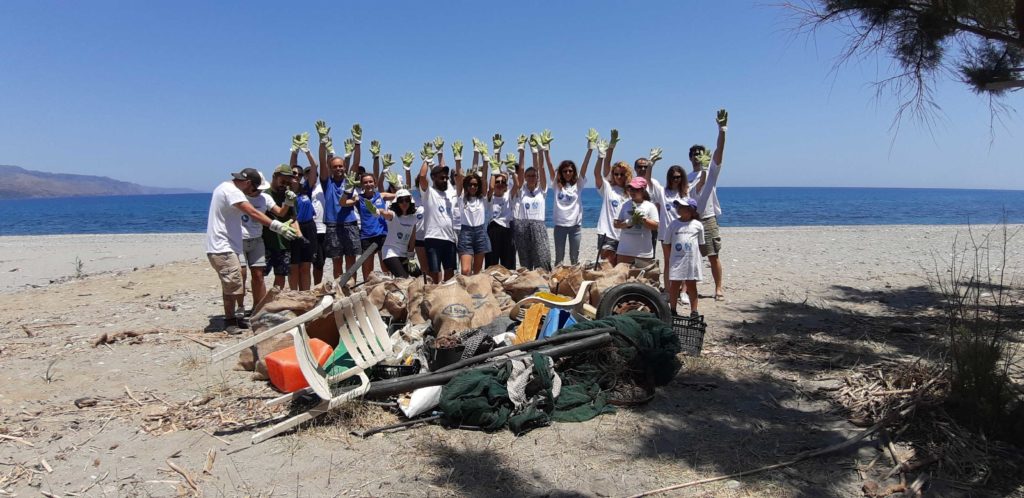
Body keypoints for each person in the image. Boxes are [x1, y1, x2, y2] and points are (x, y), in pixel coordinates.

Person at [205, 168, 298, 334]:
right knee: (233, 284)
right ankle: (231, 321)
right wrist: (277, 227)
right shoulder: (233, 192)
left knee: (236, 283)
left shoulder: (224, 187)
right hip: (223, 246)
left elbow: (272, 211)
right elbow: (252, 212)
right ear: (248, 183)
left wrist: (287, 204)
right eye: (254, 189)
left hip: (229, 245)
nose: (254, 192)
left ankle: (237, 318)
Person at [687, 109, 729, 301]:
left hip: (708, 219)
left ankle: (718, 288)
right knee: (690, 258)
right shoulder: (686, 178)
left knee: (713, 256)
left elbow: (719, 154)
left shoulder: (711, 172)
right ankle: (688, 290)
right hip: (691, 222)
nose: (697, 156)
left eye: (700, 154)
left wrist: (722, 130)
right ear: (690, 158)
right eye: (694, 154)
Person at [649, 163, 705, 296]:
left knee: (685, 261)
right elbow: (648, 181)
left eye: (679, 177)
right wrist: (651, 164)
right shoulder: (662, 192)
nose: (676, 179)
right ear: (669, 178)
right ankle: (669, 291)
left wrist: (705, 168)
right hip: (666, 233)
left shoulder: (687, 191)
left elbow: (702, 182)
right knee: (669, 262)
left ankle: (684, 291)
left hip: (685, 231)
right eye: (673, 177)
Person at [317, 122, 363, 280]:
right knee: (337, 262)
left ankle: (352, 287)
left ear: (344, 167)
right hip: (332, 225)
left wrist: (358, 143)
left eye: (340, 166)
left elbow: (356, 163)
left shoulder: (349, 180)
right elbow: (322, 162)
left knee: (351, 260)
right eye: (335, 167)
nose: (338, 169)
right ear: (331, 169)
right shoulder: (327, 182)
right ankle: (339, 289)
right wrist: (322, 141)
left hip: (350, 223)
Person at [547, 129, 592, 266]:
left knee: (574, 258)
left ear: (574, 173)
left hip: (575, 227)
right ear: (561, 172)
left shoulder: (578, 184)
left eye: (570, 171)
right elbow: (549, 166)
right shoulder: (556, 184)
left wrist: (590, 150)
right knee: (559, 258)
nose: (567, 173)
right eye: (565, 170)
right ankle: (557, 284)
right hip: (560, 226)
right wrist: (545, 150)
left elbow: (584, 167)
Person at [416, 145, 458, 283]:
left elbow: (444, 167)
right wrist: (427, 160)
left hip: (450, 238)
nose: (445, 180)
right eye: (441, 178)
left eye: (446, 178)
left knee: (450, 271)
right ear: (433, 178)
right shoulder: (428, 193)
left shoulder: (450, 191)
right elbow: (422, 176)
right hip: (433, 238)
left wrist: (441, 152)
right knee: (434, 272)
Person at [343, 170, 394, 282]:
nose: (368, 184)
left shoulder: (382, 195)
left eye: (371, 181)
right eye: (365, 182)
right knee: (367, 269)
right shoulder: (359, 198)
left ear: (375, 183)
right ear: (361, 184)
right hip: (366, 236)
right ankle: (368, 289)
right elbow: (342, 203)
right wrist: (347, 191)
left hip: (382, 234)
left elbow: (401, 196)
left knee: (386, 266)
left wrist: (398, 186)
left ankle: (389, 287)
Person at [512, 133, 551, 271]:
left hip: (538, 225)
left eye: (533, 176)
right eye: (528, 176)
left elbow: (540, 168)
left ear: (537, 177)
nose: (531, 177)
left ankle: (544, 285)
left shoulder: (542, 190)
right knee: (525, 260)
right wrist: (521, 150)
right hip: (523, 226)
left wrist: (538, 150)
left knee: (542, 259)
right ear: (525, 177)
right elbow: (521, 170)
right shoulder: (521, 190)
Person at [262, 164, 303, 290]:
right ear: (274, 177)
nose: (284, 184)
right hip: (265, 242)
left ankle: (274, 303)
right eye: (282, 181)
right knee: (259, 274)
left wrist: (291, 224)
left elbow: (293, 216)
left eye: (287, 181)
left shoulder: (289, 195)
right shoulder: (264, 194)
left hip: (283, 243)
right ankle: (259, 304)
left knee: (280, 275)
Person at [238, 171, 271, 315]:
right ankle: (239, 307)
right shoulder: (237, 196)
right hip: (238, 240)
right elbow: (254, 214)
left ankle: (258, 308)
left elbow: (280, 212)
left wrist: (288, 203)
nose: (259, 191)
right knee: (240, 275)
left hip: (257, 239)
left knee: (258, 275)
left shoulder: (265, 198)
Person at [665, 197, 705, 317]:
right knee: (674, 285)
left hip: (691, 261)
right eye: (678, 207)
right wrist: (671, 257)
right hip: (676, 260)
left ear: (691, 210)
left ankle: (694, 311)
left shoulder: (697, 225)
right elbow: (667, 243)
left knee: (691, 285)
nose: (679, 209)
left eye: (682, 207)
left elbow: (701, 243)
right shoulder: (673, 224)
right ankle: (672, 310)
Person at [455, 140, 490, 275]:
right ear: (466, 186)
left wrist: (485, 161)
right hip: (466, 233)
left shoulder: (482, 199)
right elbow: (459, 179)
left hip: (481, 232)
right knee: (465, 270)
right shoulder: (462, 197)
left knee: (477, 271)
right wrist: (458, 159)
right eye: (470, 184)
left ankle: (473, 294)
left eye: (475, 185)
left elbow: (484, 178)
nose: (473, 187)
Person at [484, 147, 519, 270]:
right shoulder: (490, 197)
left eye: (503, 182)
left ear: (506, 185)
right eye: (498, 182)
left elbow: (517, 185)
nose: (500, 184)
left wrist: (512, 171)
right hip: (493, 229)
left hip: (507, 230)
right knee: (491, 263)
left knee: (508, 264)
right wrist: (494, 171)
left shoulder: (509, 195)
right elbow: (491, 187)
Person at [613, 176, 659, 266]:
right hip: (624, 251)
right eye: (631, 189)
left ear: (643, 190)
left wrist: (643, 219)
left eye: (636, 189)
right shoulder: (624, 205)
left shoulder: (650, 206)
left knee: (643, 278)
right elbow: (616, 224)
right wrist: (627, 222)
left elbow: (655, 226)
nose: (633, 192)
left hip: (644, 252)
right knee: (622, 278)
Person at [377, 189, 422, 278]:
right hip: (390, 253)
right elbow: (385, 213)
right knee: (403, 278)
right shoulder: (393, 215)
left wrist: (411, 257)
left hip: (403, 255)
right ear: (397, 202)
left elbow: (412, 239)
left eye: (407, 200)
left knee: (418, 275)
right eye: (401, 200)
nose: (404, 203)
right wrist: (378, 211)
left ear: (411, 201)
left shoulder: (413, 218)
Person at [287, 164, 316, 291]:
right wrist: (294, 152)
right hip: (293, 228)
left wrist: (305, 150)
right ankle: (294, 296)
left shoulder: (306, 189)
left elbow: (314, 167)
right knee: (293, 267)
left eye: (299, 174)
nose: (297, 176)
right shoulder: (285, 192)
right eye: (294, 173)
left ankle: (306, 294)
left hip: (308, 228)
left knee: (305, 266)